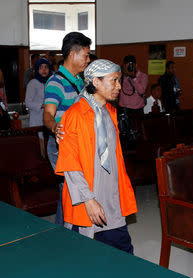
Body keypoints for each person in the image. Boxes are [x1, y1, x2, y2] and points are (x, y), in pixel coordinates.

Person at [55, 59, 137, 253]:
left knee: (123, 252)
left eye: (119, 81)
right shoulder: (75, 115)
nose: (119, 86)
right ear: (96, 82)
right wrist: (89, 200)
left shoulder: (109, 112)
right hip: (87, 198)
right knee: (86, 257)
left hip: (111, 196)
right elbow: (70, 164)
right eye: (114, 80)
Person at [43, 31, 91, 225]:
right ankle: (64, 234)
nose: (88, 60)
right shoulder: (56, 82)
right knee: (70, 191)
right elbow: (47, 114)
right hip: (61, 146)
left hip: (78, 145)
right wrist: (54, 128)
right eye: (86, 55)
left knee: (70, 191)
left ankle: (62, 232)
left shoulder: (80, 80)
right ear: (72, 54)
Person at [25, 58, 52, 153]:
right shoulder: (33, 83)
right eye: (41, 68)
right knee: (40, 150)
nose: (44, 70)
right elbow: (27, 103)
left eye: (46, 67)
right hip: (37, 120)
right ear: (37, 69)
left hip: (50, 119)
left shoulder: (51, 82)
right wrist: (43, 105)